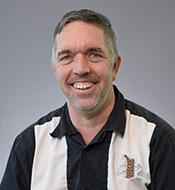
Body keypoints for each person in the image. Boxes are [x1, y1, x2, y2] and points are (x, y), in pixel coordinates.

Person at [0, 9, 175, 190]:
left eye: (94, 54)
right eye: (66, 57)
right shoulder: (30, 145)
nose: (81, 69)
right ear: (55, 70)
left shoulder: (158, 141)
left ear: (114, 66)